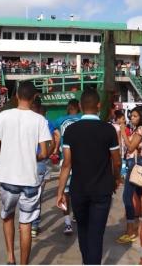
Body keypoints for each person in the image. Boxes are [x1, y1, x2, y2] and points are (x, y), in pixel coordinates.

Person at [56, 88, 121, 264]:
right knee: (97, 234)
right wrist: (115, 179)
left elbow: (67, 164)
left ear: (80, 106)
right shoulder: (109, 130)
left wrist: (60, 191)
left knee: (83, 232)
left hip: (78, 190)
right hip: (102, 191)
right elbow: (116, 162)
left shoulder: (70, 131)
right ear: (98, 106)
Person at [0, 81, 52, 265]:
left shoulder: (3, 116)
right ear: (34, 98)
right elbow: (45, 152)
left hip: (8, 177)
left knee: (8, 216)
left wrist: (8, 155)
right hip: (30, 180)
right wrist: (35, 158)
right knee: (26, 224)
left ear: (16, 95)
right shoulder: (40, 120)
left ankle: (10, 257)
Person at [118, 106, 142, 243]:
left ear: (141, 117)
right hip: (139, 164)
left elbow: (131, 147)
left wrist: (123, 132)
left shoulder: (140, 129)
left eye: (135, 116)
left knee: (127, 197)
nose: (131, 118)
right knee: (140, 196)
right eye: (131, 116)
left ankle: (130, 230)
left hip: (135, 165)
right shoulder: (139, 129)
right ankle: (141, 227)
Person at [53, 99, 82, 234]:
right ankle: (77, 214)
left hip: (66, 160)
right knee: (79, 191)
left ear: (68, 108)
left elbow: (51, 129)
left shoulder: (60, 120)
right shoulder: (83, 119)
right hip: (82, 162)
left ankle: (67, 224)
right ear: (79, 107)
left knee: (65, 193)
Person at [30, 99, 56, 238]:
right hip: (40, 161)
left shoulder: (23, 120)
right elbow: (52, 142)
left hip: (25, 162)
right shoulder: (46, 122)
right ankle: (34, 226)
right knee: (37, 195)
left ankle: (25, 223)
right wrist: (45, 155)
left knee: (24, 194)